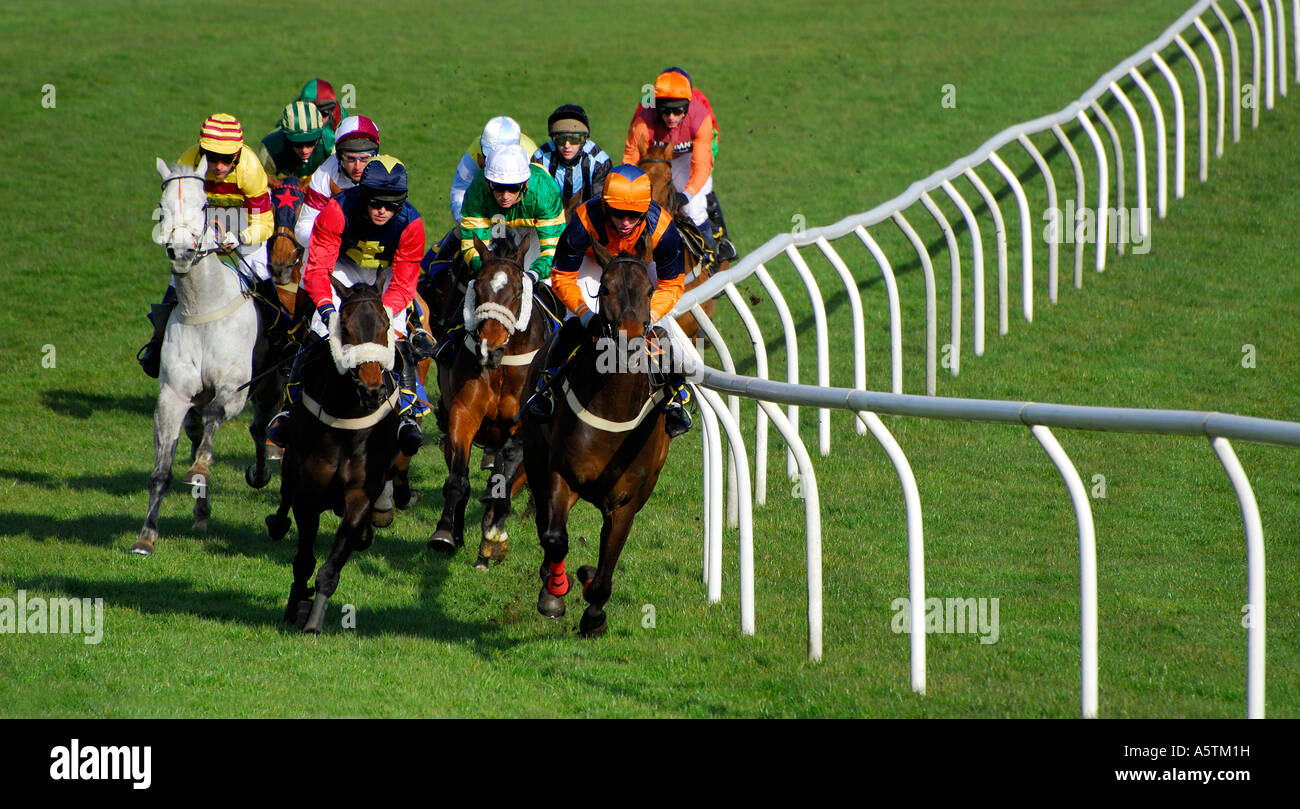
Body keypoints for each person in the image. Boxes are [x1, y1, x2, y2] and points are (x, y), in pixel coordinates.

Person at [268, 155, 427, 456]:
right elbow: (316, 268)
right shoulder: (336, 209)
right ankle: (289, 409)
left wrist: (386, 313)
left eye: (392, 205)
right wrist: (328, 310)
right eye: (377, 202)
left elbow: (405, 281)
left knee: (395, 329)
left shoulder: (412, 223)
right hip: (342, 267)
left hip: (385, 273)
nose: (383, 210)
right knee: (318, 326)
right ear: (363, 194)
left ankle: (407, 413)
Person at [525, 164, 693, 437]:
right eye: (618, 214)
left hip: (642, 265)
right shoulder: (584, 220)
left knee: (664, 328)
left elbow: (672, 284)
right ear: (605, 207)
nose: (625, 222)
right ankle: (547, 389)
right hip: (595, 263)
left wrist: (649, 317)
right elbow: (562, 276)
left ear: (645, 211)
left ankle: (675, 397)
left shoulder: (662, 229)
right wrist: (584, 314)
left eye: (634, 216)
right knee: (573, 324)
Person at [137, 113, 274, 378]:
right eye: (212, 157)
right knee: (178, 283)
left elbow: (265, 224)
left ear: (238, 155)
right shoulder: (187, 163)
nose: (219, 166)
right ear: (201, 151)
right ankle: (156, 343)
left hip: (244, 224)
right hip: (204, 223)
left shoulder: (251, 169)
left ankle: (275, 348)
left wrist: (241, 237)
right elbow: (179, 213)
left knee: (263, 282)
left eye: (226, 159)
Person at [430, 144, 566, 365]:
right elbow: (470, 245)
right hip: (496, 227)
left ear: (525, 184)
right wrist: (486, 270)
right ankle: (451, 336)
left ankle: (560, 347)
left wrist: (531, 275)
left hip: (533, 234)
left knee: (554, 286)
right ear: (488, 183)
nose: (505, 196)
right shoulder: (478, 189)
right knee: (478, 282)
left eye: (513, 189)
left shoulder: (544, 190)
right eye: (499, 188)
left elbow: (552, 250)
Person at [623, 66, 737, 265]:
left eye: (678, 111)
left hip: (689, 156)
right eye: (665, 111)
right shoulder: (644, 119)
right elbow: (631, 160)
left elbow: (702, 165)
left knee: (693, 206)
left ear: (688, 106)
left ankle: (712, 255)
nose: (671, 117)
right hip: (656, 158)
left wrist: (687, 194)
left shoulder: (700, 116)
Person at [295, 115, 380, 246]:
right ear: (339, 156)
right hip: (333, 246)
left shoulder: (387, 173)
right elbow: (303, 228)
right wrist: (331, 244)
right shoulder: (324, 174)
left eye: (364, 158)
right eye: (350, 158)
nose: (357, 167)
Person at [448, 116, 539, 223]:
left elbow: (541, 199)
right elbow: (459, 192)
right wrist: (467, 223)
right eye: (487, 156)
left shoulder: (531, 156)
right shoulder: (474, 152)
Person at [532, 104, 612, 207]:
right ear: (553, 139)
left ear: (584, 140)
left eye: (574, 139)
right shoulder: (540, 159)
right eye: (561, 139)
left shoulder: (599, 162)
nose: (567, 145)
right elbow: (535, 201)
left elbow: (602, 206)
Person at [258, 100, 331, 185]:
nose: (304, 150)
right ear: (286, 137)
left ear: (319, 136)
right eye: (297, 144)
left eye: (310, 142)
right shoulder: (268, 148)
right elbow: (263, 185)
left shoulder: (332, 145)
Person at [297, 78, 347, 152]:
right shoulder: (293, 116)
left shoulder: (339, 115)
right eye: (312, 114)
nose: (318, 119)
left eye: (324, 114)